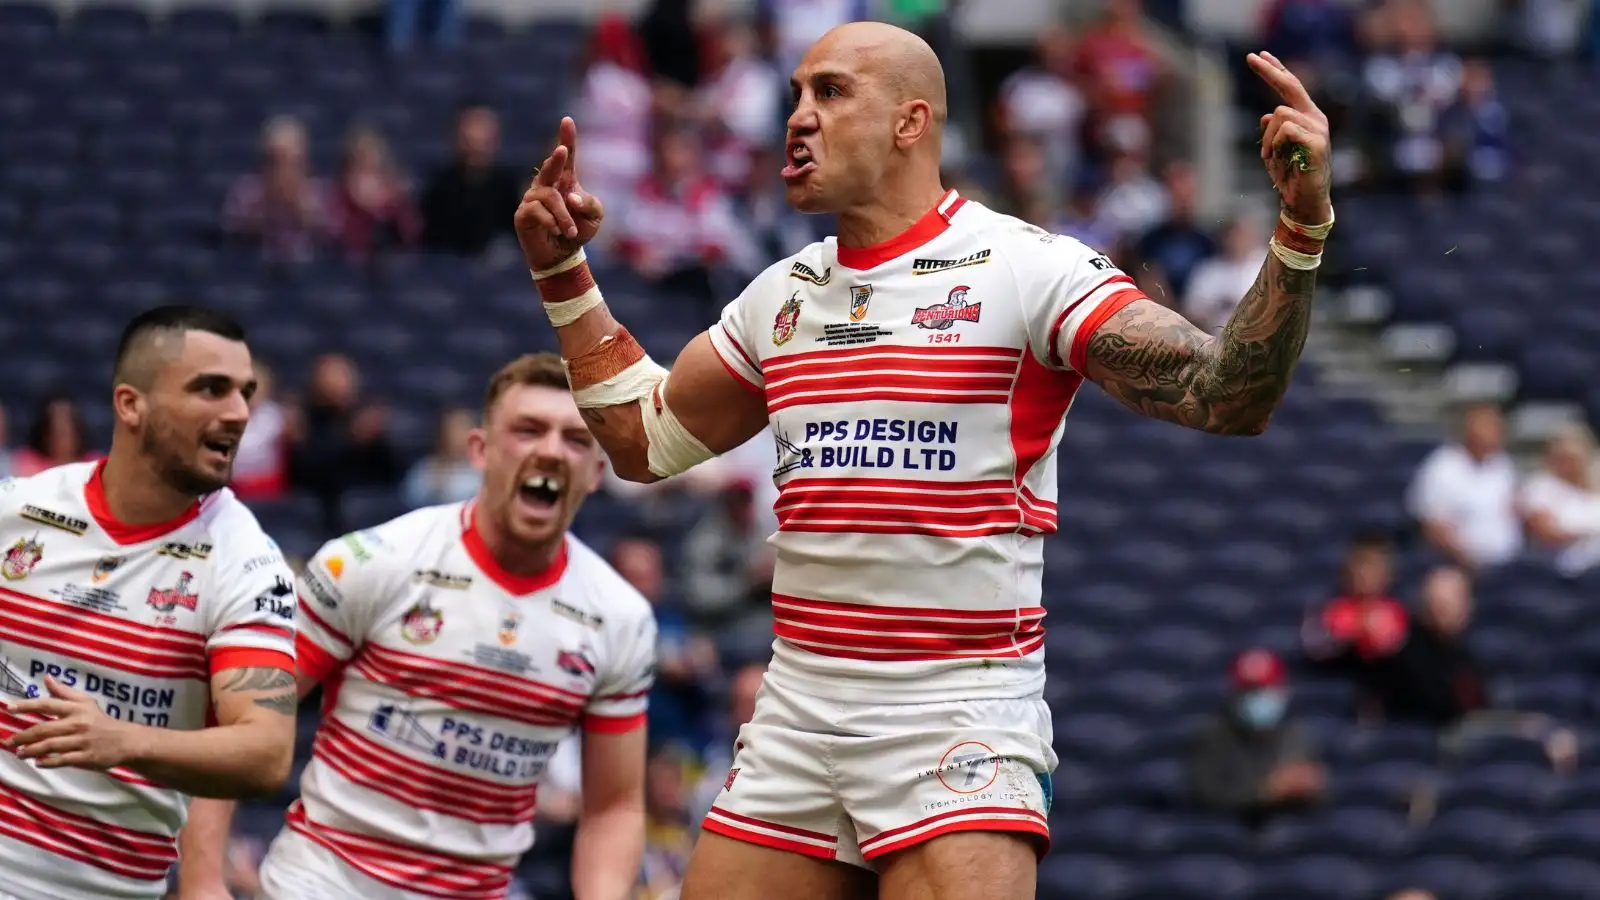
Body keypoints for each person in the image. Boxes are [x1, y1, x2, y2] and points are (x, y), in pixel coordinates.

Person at [516, 21, 1331, 899]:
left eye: (829, 93)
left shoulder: (1028, 269)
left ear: (911, 123)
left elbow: (1225, 393)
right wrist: (565, 275)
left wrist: (1300, 227)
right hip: (797, 715)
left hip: (953, 714)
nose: (797, 117)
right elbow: (645, 441)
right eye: (794, 93)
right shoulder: (779, 298)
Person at [178, 353, 655, 900]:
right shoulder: (370, 562)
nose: (550, 449)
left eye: (575, 439)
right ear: (479, 450)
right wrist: (201, 884)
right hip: (324, 882)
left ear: (596, 471)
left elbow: (614, 806)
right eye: (528, 430)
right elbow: (236, 724)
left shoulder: (620, 617)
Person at [0, 305, 299, 899]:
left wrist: (125, 741)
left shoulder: (248, 562)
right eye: (210, 389)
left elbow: (265, 751)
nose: (239, 413)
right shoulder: (19, 508)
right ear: (131, 405)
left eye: (246, 393)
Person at [1190, 649, 1325, 827]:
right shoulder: (1213, 736)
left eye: (1265, 689)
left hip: (1289, 835)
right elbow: (1205, 795)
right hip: (1229, 838)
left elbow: (1320, 799)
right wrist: (1265, 792)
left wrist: (1311, 787)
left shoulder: (1295, 735)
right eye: (1250, 691)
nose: (1258, 697)